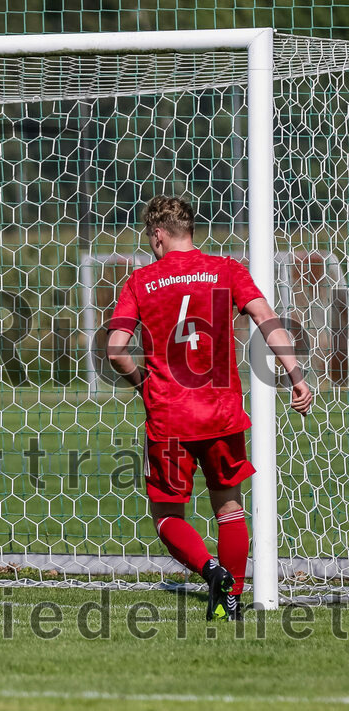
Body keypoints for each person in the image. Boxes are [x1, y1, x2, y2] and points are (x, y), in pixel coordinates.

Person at [107, 196, 312, 621]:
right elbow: (267, 320)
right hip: (221, 413)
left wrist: (146, 386)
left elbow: (115, 351)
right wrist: (295, 375)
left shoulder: (141, 280)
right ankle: (230, 601)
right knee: (231, 508)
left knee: (166, 517)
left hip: (169, 417)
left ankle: (210, 570)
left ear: (157, 235)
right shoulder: (226, 270)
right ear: (190, 232)